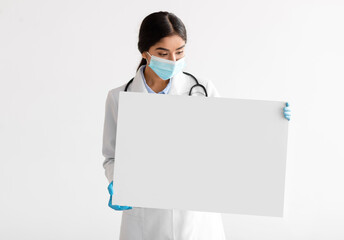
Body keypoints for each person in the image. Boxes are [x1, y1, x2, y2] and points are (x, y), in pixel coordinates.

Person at [102, 11, 291, 240]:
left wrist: (273, 122)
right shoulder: (119, 97)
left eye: (179, 52)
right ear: (145, 53)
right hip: (145, 218)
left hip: (196, 220)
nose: (173, 61)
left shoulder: (203, 89)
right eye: (163, 53)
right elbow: (112, 157)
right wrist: (117, 181)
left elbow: (233, 143)